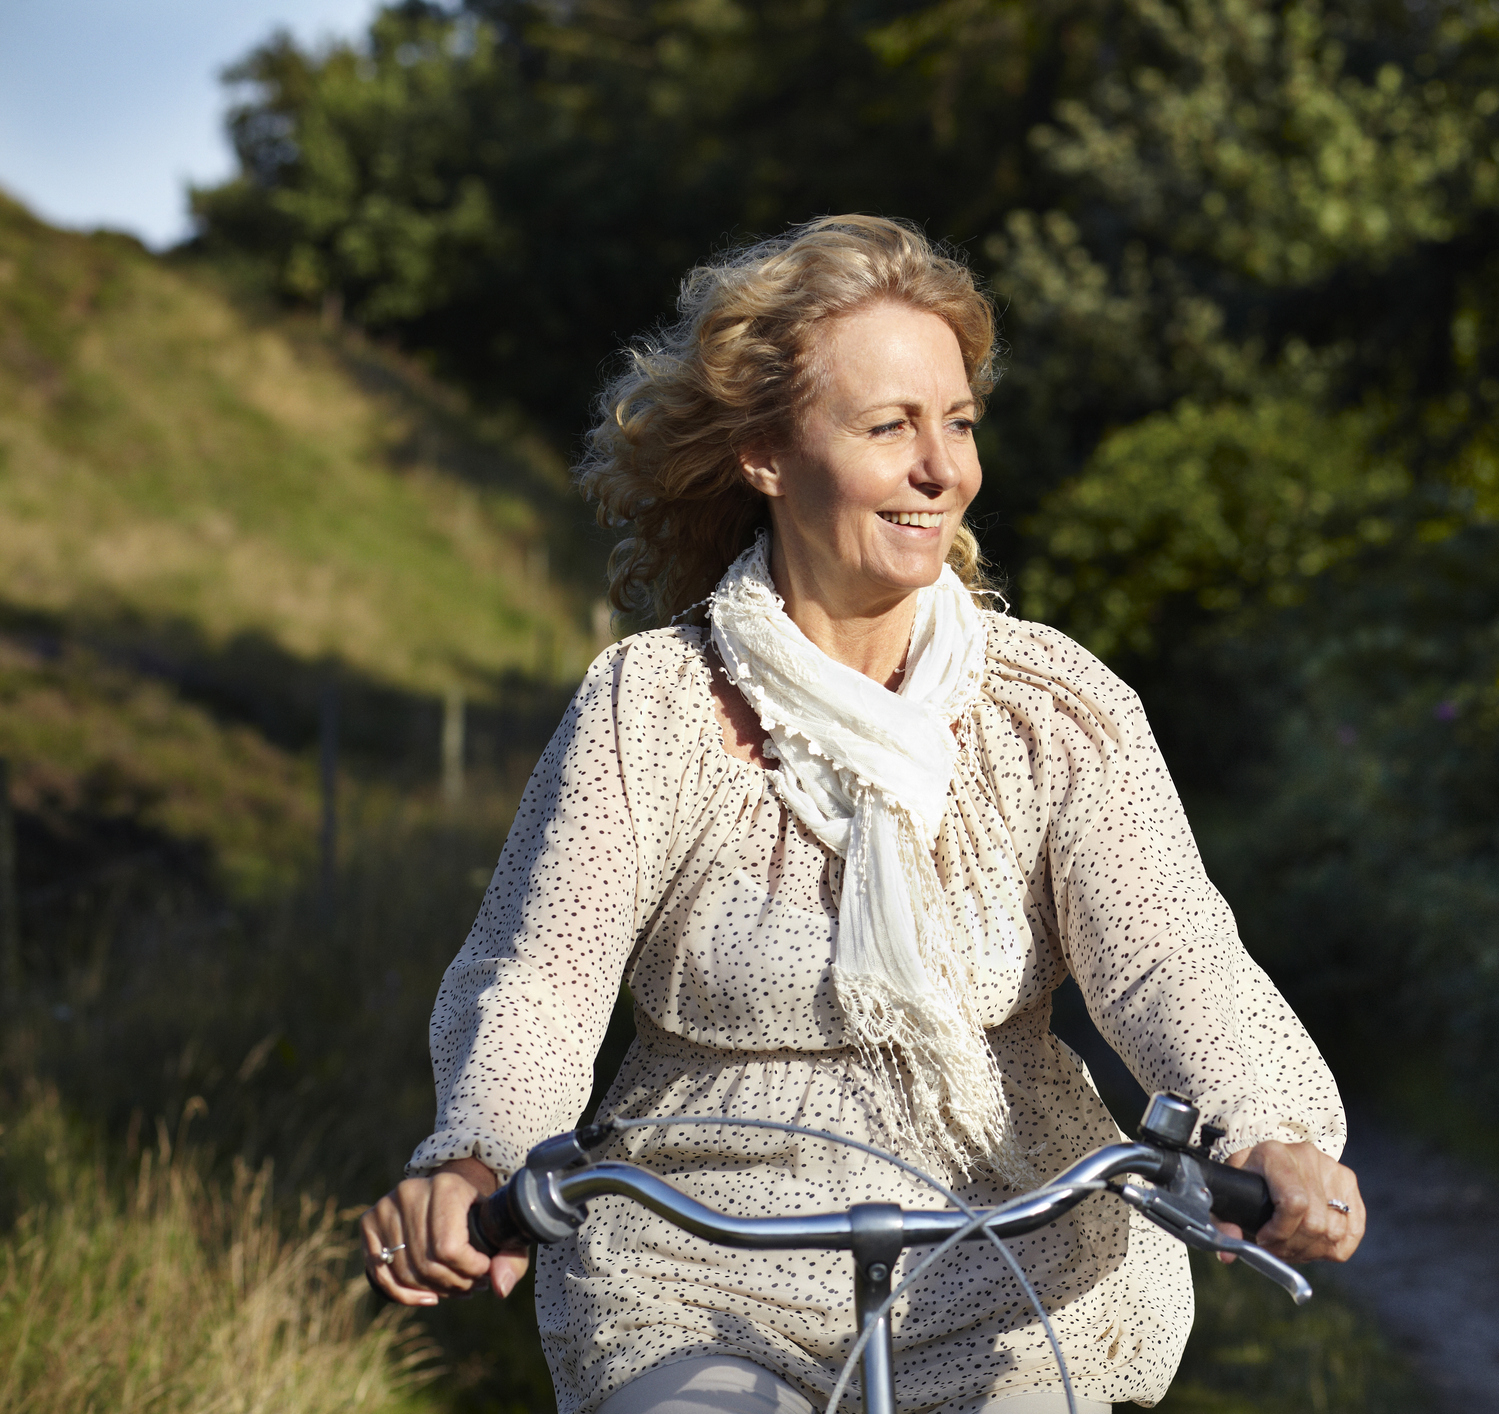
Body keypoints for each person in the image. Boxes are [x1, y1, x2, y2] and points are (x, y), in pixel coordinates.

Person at [358, 214, 1362, 1414]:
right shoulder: (652, 706)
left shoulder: (1056, 706)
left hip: (1016, 1262)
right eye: (891, 427)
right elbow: (539, 974)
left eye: (960, 423)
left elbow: (1166, 954)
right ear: (767, 455)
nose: (943, 467)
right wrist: (482, 1153)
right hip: (699, 1268)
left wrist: (1269, 1128)